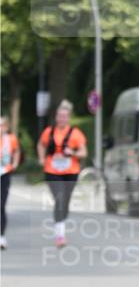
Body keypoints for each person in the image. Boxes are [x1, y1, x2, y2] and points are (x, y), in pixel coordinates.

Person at [37, 100, 87, 248]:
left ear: (68, 118)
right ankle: (60, 235)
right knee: (59, 198)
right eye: (59, 116)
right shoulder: (49, 132)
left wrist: (73, 152)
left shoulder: (76, 134)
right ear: (56, 117)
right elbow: (41, 144)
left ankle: (61, 222)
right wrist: (41, 158)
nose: (62, 119)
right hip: (52, 171)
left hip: (70, 172)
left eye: (64, 116)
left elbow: (84, 152)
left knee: (65, 201)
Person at [1, 116, 21, 249]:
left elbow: (17, 151)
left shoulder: (11, 139)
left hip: (5, 173)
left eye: (2, 125)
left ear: (7, 127)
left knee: (1, 205)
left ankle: (1, 236)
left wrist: (15, 163)